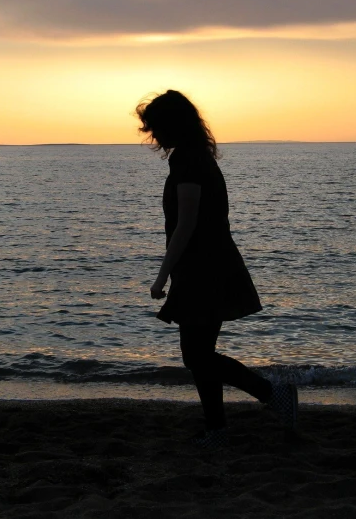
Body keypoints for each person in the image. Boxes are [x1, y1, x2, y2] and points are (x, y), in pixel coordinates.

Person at [135, 90, 298, 448]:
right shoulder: (192, 158)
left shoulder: (189, 162)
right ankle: (218, 428)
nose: (154, 135)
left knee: (197, 354)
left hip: (205, 270)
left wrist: (162, 275)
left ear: (173, 125)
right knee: (199, 354)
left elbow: (186, 224)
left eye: (157, 127)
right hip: (205, 266)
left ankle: (272, 395)